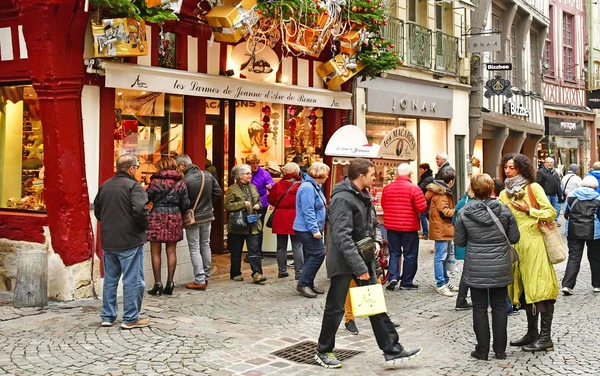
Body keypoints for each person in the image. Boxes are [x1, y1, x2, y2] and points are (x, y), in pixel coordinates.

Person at [315, 158, 421, 369]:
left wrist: (374, 240)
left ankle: (392, 349)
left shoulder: (362, 195)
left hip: (363, 259)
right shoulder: (342, 199)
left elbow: (371, 224)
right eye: (372, 174)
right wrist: (360, 268)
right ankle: (324, 350)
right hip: (345, 263)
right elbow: (342, 237)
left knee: (374, 305)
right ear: (361, 176)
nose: (376, 177)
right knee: (335, 308)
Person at [454, 174, 520, 361]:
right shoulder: (504, 210)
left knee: (479, 308)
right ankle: (500, 350)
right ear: (492, 190)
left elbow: (459, 241)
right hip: (500, 265)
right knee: (499, 307)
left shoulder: (464, 212)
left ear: (473, 190)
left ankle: (482, 350)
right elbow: (514, 238)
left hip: (476, 266)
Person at [499, 153, 558, 352]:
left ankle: (545, 337)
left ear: (522, 169)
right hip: (515, 248)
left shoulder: (533, 188)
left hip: (534, 245)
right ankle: (532, 333)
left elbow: (551, 212)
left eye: (512, 168)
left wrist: (529, 210)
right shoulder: (504, 194)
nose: (508, 171)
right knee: (523, 291)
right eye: (506, 167)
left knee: (540, 289)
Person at [94, 154, 151, 329]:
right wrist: (144, 226)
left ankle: (108, 316)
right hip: (130, 239)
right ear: (132, 168)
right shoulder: (133, 186)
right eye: (137, 167)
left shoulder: (105, 186)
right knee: (133, 280)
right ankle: (131, 317)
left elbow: (98, 211)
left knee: (111, 279)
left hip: (109, 239)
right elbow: (141, 210)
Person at [176, 154, 222, 291]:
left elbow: (183, 201)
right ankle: (206, 276)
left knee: (195, 248)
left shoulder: (185, 179)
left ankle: (199, 279)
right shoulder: (207, 175)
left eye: (178, 167)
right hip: (207, 215)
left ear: (182, 165)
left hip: (193, 217)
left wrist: (188, 209)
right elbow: (218, 192)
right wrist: (208, 204)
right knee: (205, 245)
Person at [146, 157, 190, 296]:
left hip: (157, 215)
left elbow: (145, 198)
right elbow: (186, 204)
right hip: (174, 216)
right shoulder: (181, 183)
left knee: (155, 252)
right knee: (171, 251)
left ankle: (157, 283)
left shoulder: (155, 181)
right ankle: (170, 282)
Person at [381, 163, 427, 291]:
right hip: (409, 228)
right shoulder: (414, 189)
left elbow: (384, 205)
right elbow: (422, 207)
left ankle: (393, 277)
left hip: (392, 227)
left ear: (397, 174)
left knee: (394, 253)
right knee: (410, 255)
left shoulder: (387, 188)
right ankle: (406, 281)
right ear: (410, 174)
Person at [224, 164, 266, 284]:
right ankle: (235, 273)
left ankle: (257, 273)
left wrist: (259, 204)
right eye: (247, 173)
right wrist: (242, 204)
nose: (250, 175)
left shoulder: (253, 187)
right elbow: (227, 205)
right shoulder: (233, 189)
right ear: (240, 175)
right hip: (238, 225)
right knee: (236, 251)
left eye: (250, 173)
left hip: (252, 224)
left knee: (254, 250)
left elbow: (258, 200)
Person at [294, 162, 329, 298]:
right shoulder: (308, 187)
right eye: (325, 173)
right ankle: (303, 283)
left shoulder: (315, 186)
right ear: (319, 174)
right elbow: (308, 210)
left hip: (310, 227)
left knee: (311, 255)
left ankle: (309, 283)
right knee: (318, 254)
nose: (327, 176)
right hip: (306, 228)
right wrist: (315, 230)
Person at [562, 175, 600, 295]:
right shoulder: (598, 198)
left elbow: (566, 214)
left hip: (573, 231)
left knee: (574, 257)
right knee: (595, 258)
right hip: (593, 232)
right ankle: (597, 285)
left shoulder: (571, 197)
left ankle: (567, 285)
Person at [267, 162, 303, 279]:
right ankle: (299, 272)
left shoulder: (278, 185)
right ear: (297, 172)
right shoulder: (301, 186)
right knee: (297, 246)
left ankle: (282, 270)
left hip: (281, 217)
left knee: (281, 246)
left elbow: (271, 199)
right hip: (296, 217)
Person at [426, 169, 459, 297]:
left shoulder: (441, 192)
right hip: (441, 229)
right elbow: (444, 212)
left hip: (444, 229)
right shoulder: (441, 195)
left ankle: (445, 280)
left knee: (444, 257)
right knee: (440, 257)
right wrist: (457, 211)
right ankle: (440, 283)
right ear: (451, 182)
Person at [247, 154, 274, 257]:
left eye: (257, 163)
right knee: (248, 228)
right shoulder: (245, 172)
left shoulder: (264, 173)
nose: (255, 165)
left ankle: (258, 252)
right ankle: (251, 252)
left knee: (258, 227)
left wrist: (269, 186)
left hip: (262, 202)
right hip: (248, 203)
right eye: (252, 163)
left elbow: (271, 185)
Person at [452, 186, 474, 311]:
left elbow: (455, 221)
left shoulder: (463, 201)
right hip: (471, 242)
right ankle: (461, 300)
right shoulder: (467, 202)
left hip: (467, 241)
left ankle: (461, 299)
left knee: (468, 270)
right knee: (469, 271)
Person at [536, 157, 562, 224]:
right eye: (548, 162)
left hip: (554, 194)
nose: (550, 164)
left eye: (551, 162)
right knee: (547, 209)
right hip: (546, 194)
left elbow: (558, 184)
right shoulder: (541, 172)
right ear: (545, 163)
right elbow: (538, 184)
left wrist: (560, 195)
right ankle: (547, 222)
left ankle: (554, 222)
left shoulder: (555, 172)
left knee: (556, 209)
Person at [417, 163, 434, 239]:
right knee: (427, 216)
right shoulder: (427, 177)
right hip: (427, 199)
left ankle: (425, 233)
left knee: (422, 215)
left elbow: (421, 187)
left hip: (426, 199)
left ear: (425, 170)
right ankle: (433, 231)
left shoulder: (427, 178)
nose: (420, 171)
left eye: (421, 169)